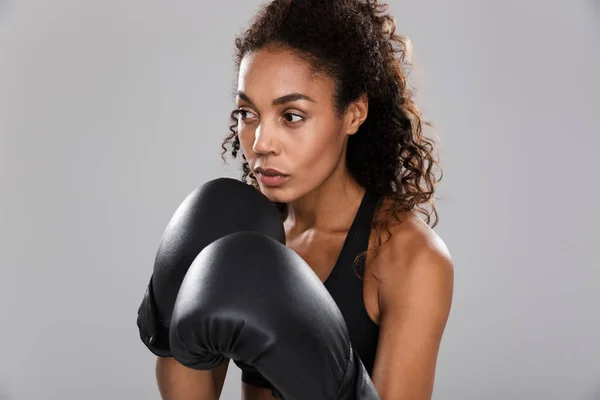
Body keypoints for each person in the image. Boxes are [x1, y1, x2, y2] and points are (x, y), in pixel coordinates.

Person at [144, 0, 454, 399]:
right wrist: (169, 324)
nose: (260, 144)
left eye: (291, 116)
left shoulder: (408, 257)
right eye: (247, 113)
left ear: (354, 114)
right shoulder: (238, 227)